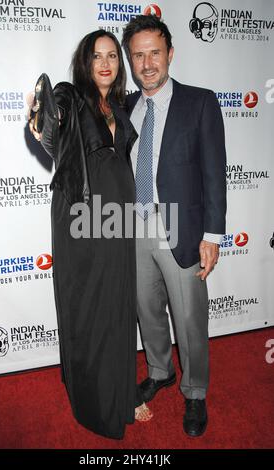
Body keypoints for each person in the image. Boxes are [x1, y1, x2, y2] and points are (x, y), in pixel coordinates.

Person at [28, 29, 152, 439]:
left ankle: (121, 391)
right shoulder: (73, 95)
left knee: (118, 306)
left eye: (112, 56)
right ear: (85, 63)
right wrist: (44, 118)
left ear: (119, 65)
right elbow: (55, 117)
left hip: (118, 218)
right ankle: (96, 400)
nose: (104, 63)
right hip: (84, 219)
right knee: (90, 308)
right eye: (96, 56)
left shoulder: (119, 105)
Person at [122, 15, 226, 437]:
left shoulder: (200, 102)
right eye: (138, 55)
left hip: (181, 228)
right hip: (133, 228)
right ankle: (161, 371)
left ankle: (195, 392)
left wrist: (213, 235)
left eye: (154, 53)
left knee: (189, 319)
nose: (147, 63)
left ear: (170, 54)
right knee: (147, 313)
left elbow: (215, 172)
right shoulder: (125, 106)